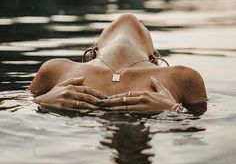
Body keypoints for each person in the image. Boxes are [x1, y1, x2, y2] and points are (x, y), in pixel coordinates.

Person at [29, 13, 207, 114]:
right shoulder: (55, 69)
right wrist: (43, 100)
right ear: (93, 50)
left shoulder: (183, 78)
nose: (129, 17)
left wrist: (173, 109)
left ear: (154, 57)